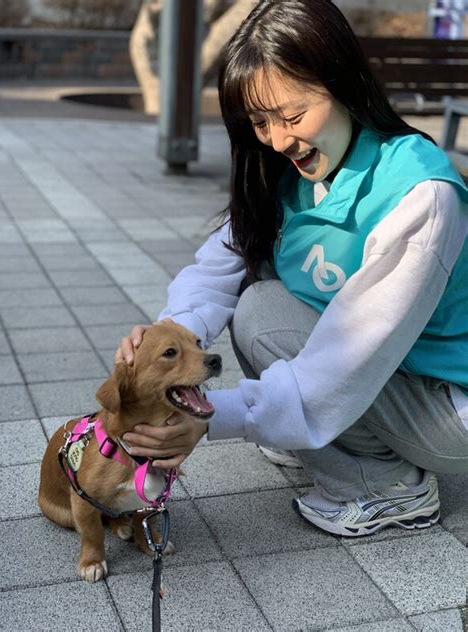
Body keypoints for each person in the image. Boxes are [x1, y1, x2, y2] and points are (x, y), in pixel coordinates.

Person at [116, 0, 468, 537]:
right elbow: (218, 267)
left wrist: (211, 420)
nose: (279, 140)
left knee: (267, 317)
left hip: (448, 408)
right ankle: (327, 441)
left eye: (293, 115)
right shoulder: (288, 171)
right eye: (260, 122)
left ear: (344, 83)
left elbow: (345, 361)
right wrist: (171, 341)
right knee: (259, 300)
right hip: (395, 374)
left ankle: (387, 488)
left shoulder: (419, 196)